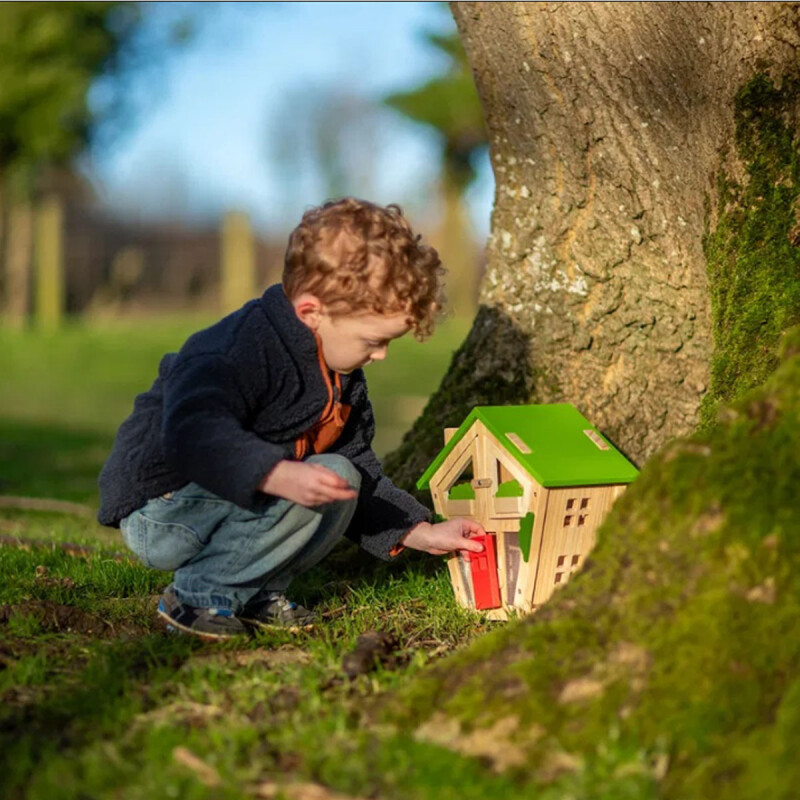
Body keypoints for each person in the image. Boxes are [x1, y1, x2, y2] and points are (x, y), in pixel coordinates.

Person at [98, 197, 485, 640]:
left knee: (340, 476)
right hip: (163, 510)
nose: (380, 355)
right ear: (311, 312)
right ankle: (196, 597)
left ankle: (256, 592)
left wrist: (420, 531)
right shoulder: (239, 349)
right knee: (317, 478)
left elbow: (360, 472)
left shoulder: (342, 376)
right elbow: (192, 431)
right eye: (373, 340)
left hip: (225, 505)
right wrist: (274, 474)